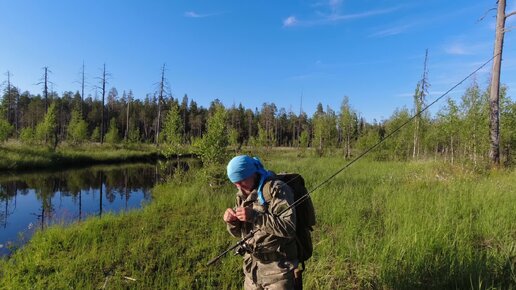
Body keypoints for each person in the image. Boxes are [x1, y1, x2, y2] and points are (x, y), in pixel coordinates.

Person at [223, 155, 299, 290]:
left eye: (241, 180)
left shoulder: (277, 189)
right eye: (235, 183)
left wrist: (255, 216)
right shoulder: (242, 194)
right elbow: (238, 233)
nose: (238, 186)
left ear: (253, 173)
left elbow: (289, 227)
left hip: (278, 270)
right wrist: (232, 222)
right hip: (252, 270)